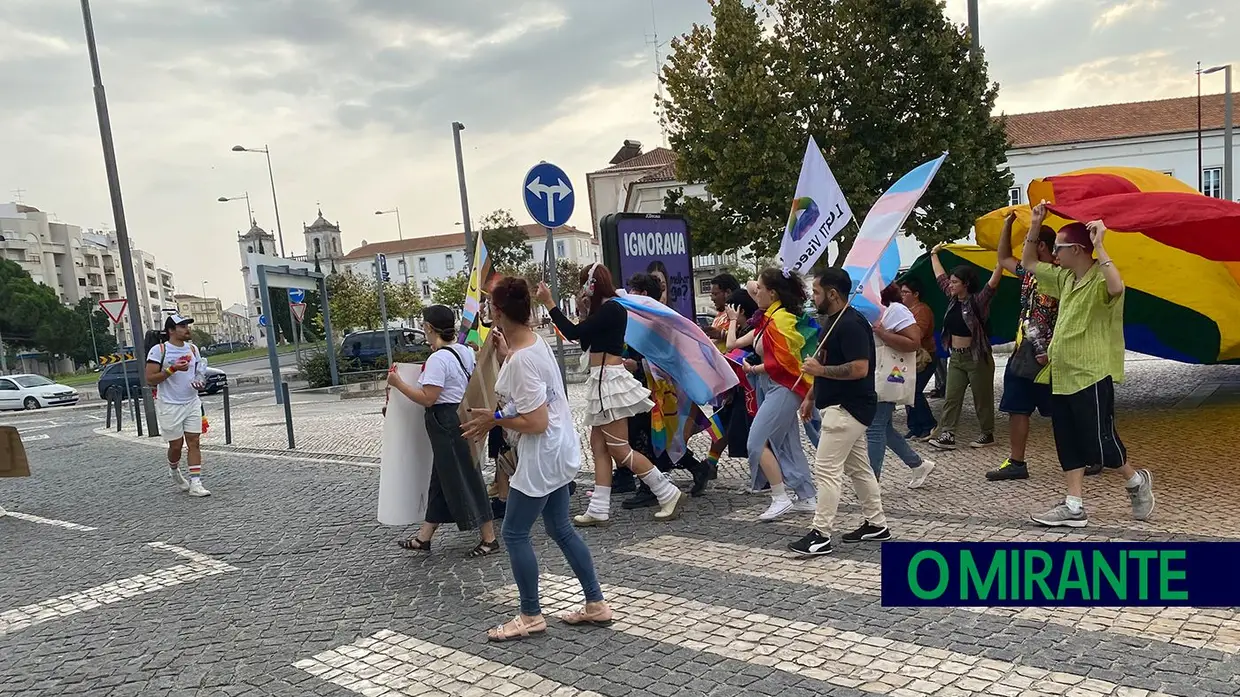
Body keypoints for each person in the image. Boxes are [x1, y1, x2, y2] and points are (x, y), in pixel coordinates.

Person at [461, 278, 611, 641]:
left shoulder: (523, 358)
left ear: (496, 312)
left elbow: (535, 420)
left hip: (542, 454)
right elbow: (531, 391)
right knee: (560, 528)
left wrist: (493, 419)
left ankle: (530, 614)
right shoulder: (533, 343)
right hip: (558, 448)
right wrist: (502, 357)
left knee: (513, 534)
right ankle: (595, 603)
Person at [1020, 208, 1153, 527]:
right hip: (1062, 375)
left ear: (1077, 250)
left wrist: (1102, 246)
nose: (1053, 254)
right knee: (1067, 441)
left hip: (1090, 375)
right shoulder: (1064, 277)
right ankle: (1074, 505)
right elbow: (1027, 263)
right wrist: (1035, 226)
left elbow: (1117, 288)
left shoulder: (1099, 278)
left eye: (1059, 249)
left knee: (1100, 442)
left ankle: (1136, 481)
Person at [539, 264, 686, 525]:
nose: (582, 288)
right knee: (599, 447)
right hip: (602, 380)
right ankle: (598, 508)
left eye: (584, 283)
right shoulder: (607, 309)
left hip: (608, 381)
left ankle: (666, 491)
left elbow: (574, 334)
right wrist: (583, 311)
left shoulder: (612, 308)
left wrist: (550, 303)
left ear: (592, 284)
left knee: (619, 449)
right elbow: (586, 341)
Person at [387, 305, 499, 557]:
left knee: (466, 477)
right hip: (459, 415)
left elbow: (428, 397)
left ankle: (489, 538)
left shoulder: (438, 359)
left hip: (445, 420)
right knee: (441, 479)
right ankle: (423, 537)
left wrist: (398, 383)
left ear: (428, 328)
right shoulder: (464, 351)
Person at [790, 268, 888, 556]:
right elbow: (824, 363)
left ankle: (820, 534)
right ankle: (877, 523)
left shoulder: (850, 324)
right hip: (841, 406)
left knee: (826, 470)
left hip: (848, 408)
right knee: (859, 469)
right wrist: (811, 395)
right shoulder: (832, 322)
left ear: (833, 294)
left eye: (817, 292)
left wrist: (820, 372)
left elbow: (860, 368)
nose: (813, 296)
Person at [726, 268, 817, 521]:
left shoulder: (779, 320)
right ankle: (806, 495)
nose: (756, 293)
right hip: (774, 386)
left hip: (783, 387)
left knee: (756, 441)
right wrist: (733, 319)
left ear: (772, 292)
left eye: (761, 290)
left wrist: (754, 368)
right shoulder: (768, 318)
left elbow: (786, 362)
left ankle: (780, 497)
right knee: (786, 443)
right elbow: (733, 344)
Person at [618, 273, 712, 505]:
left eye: (634, 291)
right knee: (654, 437)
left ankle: (649, 489)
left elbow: (667, 358)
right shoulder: (642, 319)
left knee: (644, 435)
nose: (630, 295)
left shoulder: (659, 322)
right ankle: (697, 469)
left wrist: (637, 365)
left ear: (644, 294)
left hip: (657, 390)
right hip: (643, 387)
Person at [989, 211, 1060, 481]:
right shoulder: (1030, 274)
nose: (1024, 249)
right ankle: (1017, 461)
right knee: (1016, 407)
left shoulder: (1058, 274)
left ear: (1040, 245)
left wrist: (1052, 349)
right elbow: (1003, 258)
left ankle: (1082, 456)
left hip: (1050, 353)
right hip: (1024, 349)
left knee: (1061, 409)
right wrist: (1006, 226)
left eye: (1029, 242)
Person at [927, 247, 1002, 450]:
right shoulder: (952, 300)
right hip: (956, 358)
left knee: (982, 398)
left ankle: (987, 434)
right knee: (952, 397)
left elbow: (992, 284)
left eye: (955, 282)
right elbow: (939, 277)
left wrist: (1001, 261)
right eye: (951, 282)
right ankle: (948, 434)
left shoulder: (978, 301)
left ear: (965, 284)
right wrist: (934, 254)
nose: (950, 285)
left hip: (978, 358)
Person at [868, 284, 935, 487]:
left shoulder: (895, 309)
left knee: (875, 427)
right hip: (873, 374)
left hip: (887, 373)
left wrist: (884, 334)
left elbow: (914, 341)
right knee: (883, 427)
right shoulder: (867, 309)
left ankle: (871, 483)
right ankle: (917, 464)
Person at [145, 314, 210, 497]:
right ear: (171, 331)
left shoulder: (193, 349)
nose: (186, 329)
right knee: (176, 446)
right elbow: (150, 378)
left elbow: (198, 371)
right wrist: (172, 369)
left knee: (194, 441)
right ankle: (174, 469)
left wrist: (199, 380)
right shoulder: (159, 350)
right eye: (182, 326)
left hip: (191, 402)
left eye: (187, 325)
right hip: (169, 404)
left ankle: (196, 483)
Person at [898, 277, 938, 439]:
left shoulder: (922, 310)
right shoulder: (905, 310)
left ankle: (929, 424)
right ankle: (915, 426)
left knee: (914, 391)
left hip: (924, 356)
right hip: (909, 357)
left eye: (905, 292)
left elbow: (918, 334)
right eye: (901, 292)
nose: (902, 295)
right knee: (907, 391)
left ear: (916, 294)